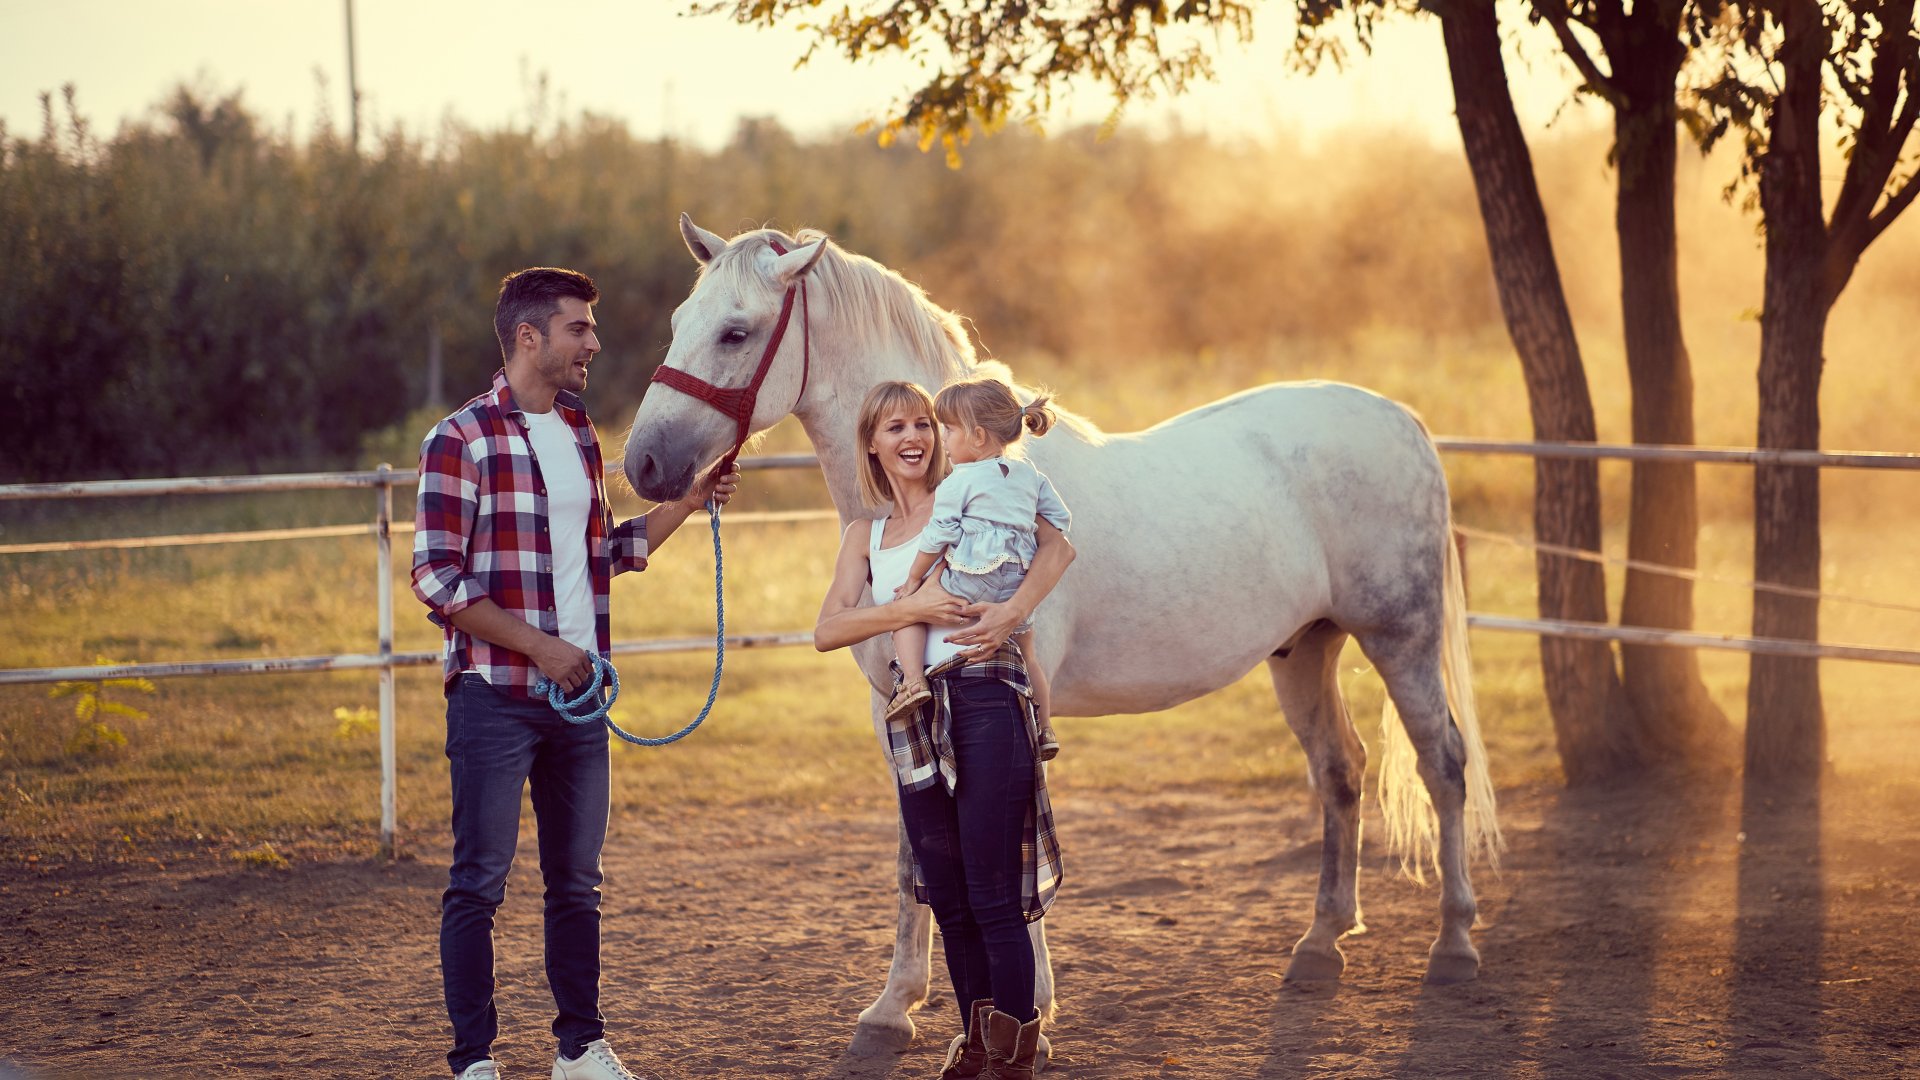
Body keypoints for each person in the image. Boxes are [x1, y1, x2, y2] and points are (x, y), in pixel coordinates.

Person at [411, 267, 737, 1080]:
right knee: (479, 884)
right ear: (530, 337)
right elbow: (437, 579)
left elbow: (609, 551)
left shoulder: (581, 432)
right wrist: (542, 649)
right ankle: (473, 1062)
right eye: (578, 329)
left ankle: (580, 1050)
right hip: (497, 699)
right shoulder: (461, 440)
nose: (593, 342)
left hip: (579, 705)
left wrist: (690, 500)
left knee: (577, 887)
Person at [814, 381, 1075, 1080]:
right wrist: (911, 608)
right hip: (915, 710)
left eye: (924, 423)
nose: (913, 438)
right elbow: (827, 630)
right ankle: (977, 1042)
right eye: (894, 426)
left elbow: (1057, 549)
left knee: (994, 895)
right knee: (948, 896)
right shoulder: (863, 536)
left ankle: (1014, 1057)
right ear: (871, 442)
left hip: (987, 695)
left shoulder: (972, 493)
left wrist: (1011, 611)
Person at [889, 378, 1071, 761]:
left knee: (908, 610)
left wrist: (912, 580)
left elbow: (939, 534)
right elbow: (1059, 519)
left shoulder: (960, 481)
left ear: (977, 436)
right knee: (1028, 654)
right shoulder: (1030, 476)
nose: (944, 439)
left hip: (975, 573)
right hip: (1016, 581)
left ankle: (913, 682)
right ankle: (1046, 726)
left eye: (949, 430)